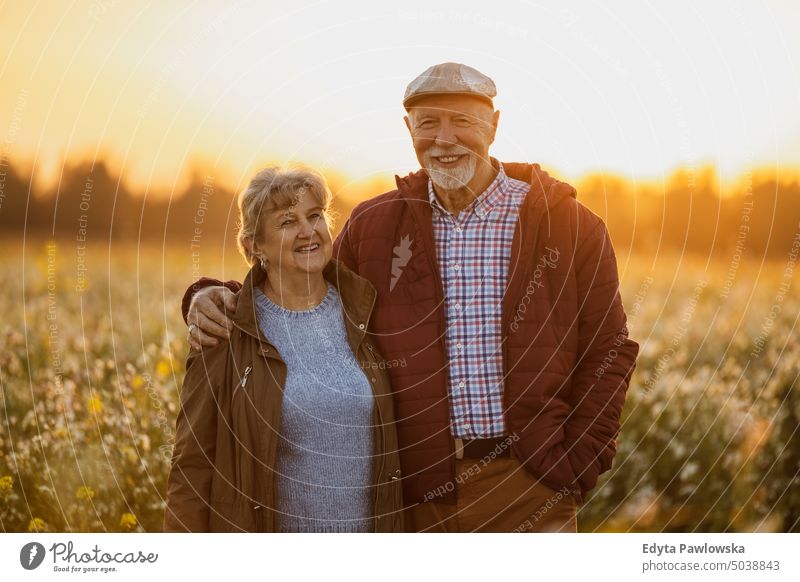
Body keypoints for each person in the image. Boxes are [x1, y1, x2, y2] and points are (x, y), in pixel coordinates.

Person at [182, 63, 639, 532]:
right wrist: (216, 295)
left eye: (461, 121)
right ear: (408, 130)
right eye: (427, 123)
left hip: (532, 486)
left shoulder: (570, 225)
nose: (444, 139)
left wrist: (579, 461)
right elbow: (305, 289)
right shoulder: (374, 226)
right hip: (418, 496)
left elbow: (610, 347)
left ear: (494, 125)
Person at [164, 166, 404, 532]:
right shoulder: (225, 331)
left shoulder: (363, 312)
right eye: (287, 222)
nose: (308, 231)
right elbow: (192, 466)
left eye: (314, 215)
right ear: (253, 247)